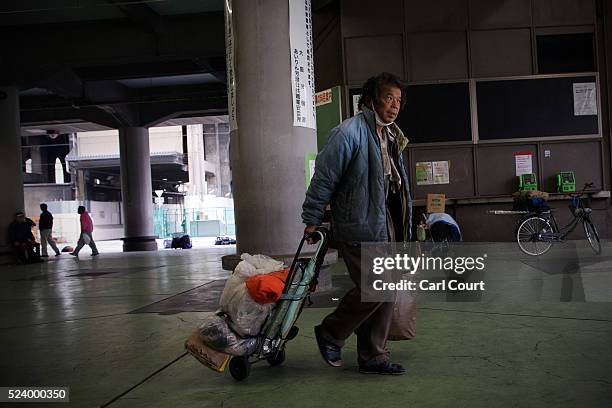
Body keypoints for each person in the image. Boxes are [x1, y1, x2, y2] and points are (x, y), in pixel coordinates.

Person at [302, 72, 412, 375]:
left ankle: (373, 356)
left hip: (385, 223)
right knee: (377, 286)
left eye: (399, 100)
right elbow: (324, 177)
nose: (394, 105)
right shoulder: (348, 132)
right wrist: (312, 217)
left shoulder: (390, 134)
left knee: (387, 289)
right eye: (388, 98)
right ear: (371, 99)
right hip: (358, 223)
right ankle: (331, 332)